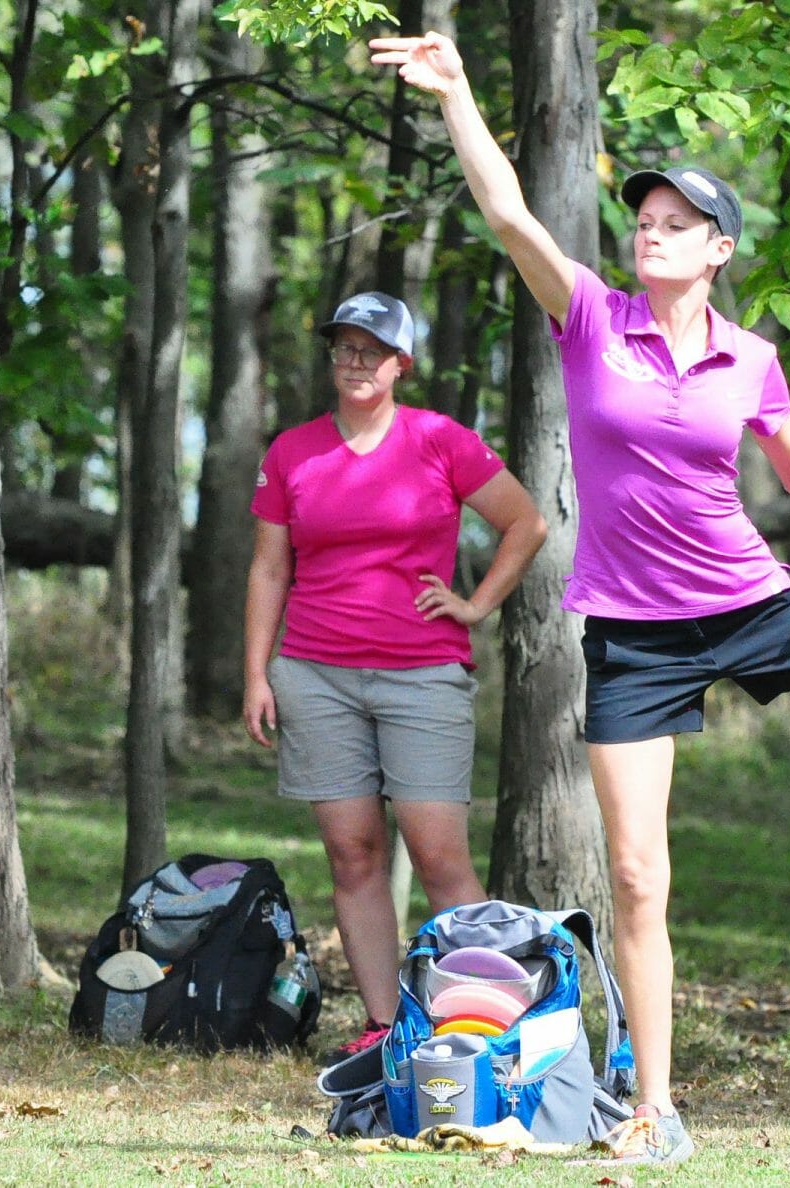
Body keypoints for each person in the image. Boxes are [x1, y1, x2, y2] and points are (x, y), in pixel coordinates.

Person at [369, 31, 790, 1166]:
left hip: (752, 603)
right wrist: (454, 98)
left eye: (676, 224)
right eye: (643, 219)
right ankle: (657, 1109)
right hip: (635, 637)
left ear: (719, 249)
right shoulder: (591, 320)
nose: (650, 231)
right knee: (639, 874)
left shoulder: (751, 358)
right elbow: (511, 221)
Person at [243, 290, 548, 1063]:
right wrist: (257, 673)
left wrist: (477, 605)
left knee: (441, 854)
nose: (354, 362)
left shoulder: (441, 440)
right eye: (343, 347)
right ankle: (384, 1027)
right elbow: (269, 568)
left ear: (400, 364)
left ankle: (485, 1026)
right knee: (353, 853)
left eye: (371, 351)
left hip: (422, 675)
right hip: (315, 674)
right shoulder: (293, 452)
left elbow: (526, 522)